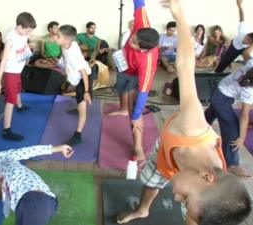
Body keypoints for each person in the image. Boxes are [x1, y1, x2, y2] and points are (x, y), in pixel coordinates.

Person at [116, 0, 251, 224]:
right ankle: (143, 210)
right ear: (206, 177)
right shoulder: (192, 126)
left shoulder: (203, 206)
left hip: (178, 160)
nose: (177, 198)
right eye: (186, 199)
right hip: (168, 150)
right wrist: (179, 14)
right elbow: (186, 64)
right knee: (151, 182)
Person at [107, 0, 159, 163]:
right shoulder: (142, 27)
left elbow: (143, 93)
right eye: (134, 36)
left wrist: (136, 115)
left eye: (135, 43)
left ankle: (138, 147)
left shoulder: (147, 63)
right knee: (121, 89)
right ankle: (123, 109)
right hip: (125, 65)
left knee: (133, 113)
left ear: (144, 49)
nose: (131, 40)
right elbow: (139, 4)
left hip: (136, 76)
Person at [0, 144, 73, 225]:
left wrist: (58, 148)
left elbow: (30, 151)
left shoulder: (3, 157)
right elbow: (7, 204)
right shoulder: (6, 191)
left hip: (35, 201)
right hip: (42, 203)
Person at [0, 12, 36, 141]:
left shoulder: (23, 33)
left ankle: (20, 106)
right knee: (10, 101)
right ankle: (7, 130)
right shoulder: (10, 40)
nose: (28, 33)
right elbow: (3, 62)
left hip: (18, 70)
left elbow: (24, 43)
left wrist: (29, 46)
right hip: (10, 72)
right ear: (19, 27)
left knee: (18, 89)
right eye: (27, 30)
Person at [205, 65, 253, 178]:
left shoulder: (251, 64)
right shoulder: (249, 91)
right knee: (232, 130)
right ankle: (232, 164)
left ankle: (197, 124)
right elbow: (244, 116)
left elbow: (247, 53)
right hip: (222, 98)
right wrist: (241, 138)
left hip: (218, 88)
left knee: (213, 111)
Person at [56, 25, 92, 146]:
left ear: (66, 39)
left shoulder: (73, 54)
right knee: (78, 95)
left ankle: (78, 135)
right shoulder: (65, 44)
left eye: (58, 36)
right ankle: (79, 105)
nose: (56, 38)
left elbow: (84, 73)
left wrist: (86, 91)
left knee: (82, 106)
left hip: (84, 78)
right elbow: (64, 56)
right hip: (77, 79)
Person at [215, 0, 253, 73]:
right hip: (234, 46)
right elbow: (242, 17)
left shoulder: (250, 46)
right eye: (247, 38)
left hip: (243, 50)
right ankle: (217, 73)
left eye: (249, 41)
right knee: (224, 63)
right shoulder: (243, 30)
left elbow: (247, 54)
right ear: (247, 35)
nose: (246, 41)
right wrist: (239, 5)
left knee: (249, 62)